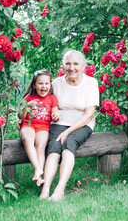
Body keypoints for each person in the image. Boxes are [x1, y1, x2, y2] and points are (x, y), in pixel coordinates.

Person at [39, 49, 99, 201]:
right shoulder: (56, 83)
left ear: (83, 66)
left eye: (76, 64)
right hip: (59, 122)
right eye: (68, 63)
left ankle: (59, 190)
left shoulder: (91, 83)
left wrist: (68, 132)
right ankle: (45, 190)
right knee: (54, 147)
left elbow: (89, 114)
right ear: (63, 65)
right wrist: (54, 110)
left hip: (82, 124)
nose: (72, 67)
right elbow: (46, 102)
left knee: (68, 144)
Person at [18, 70, 61, 186]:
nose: (44, 86)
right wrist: (27, 106)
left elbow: (55, 113)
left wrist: (57, 115)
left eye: (46, 84)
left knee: (40, 146)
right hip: (28, 124)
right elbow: (21, 116)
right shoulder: (28, 98)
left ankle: (39, 176)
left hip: (43, 126)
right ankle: (37, 169)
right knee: (28, 138)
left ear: (50, 85)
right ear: (34, 85)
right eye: (40, 83)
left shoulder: (52, 98)